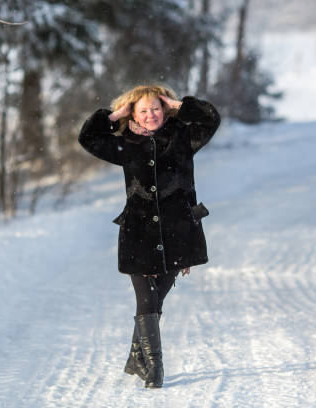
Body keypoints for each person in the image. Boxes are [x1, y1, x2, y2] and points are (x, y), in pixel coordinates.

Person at [78, 84, 220, 388]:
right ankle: (155, 368)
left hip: (179, 230)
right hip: (139, 232)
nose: (150, 114)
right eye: (143, 110)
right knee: (146, 297)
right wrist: (114, 115)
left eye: (155, 108)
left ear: (163, 108)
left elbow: (211, 120)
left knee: (157, 298)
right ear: (134, 114)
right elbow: (88, 138)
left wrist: (181, 106)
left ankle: (136, 356)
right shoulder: (125, 144)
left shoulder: (183, 137)